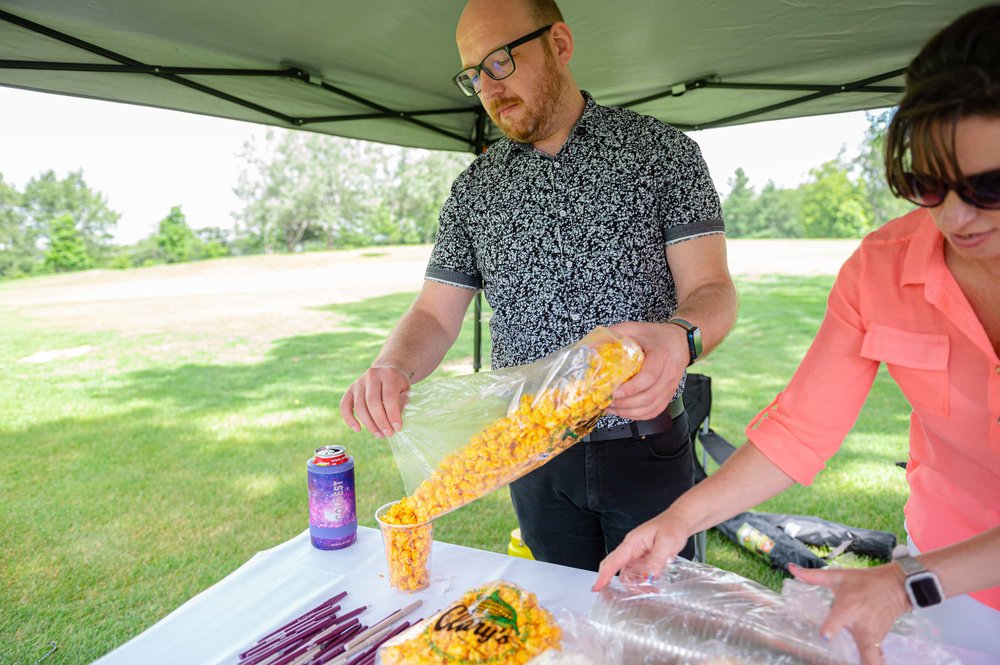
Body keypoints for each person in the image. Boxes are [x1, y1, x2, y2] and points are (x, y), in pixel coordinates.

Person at [593, 5, 1000, 662]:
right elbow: (800, 430)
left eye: (990, 186)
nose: (954, 216)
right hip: (945, 574)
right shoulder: (879, 269)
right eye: (928, 184)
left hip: (925, 580)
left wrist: (905, 582)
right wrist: (678, 520)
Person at [340, 0, 737, 572]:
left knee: (657, 621)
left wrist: (681, 337)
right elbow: (434, 313)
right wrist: (392, 365)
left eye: (500, 61)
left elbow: (712, 289)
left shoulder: (663, 153)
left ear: (560, 43)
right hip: (527, 453)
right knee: (558, 618)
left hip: (646, 442)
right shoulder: (475, 187)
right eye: (473, 75)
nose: (488, 88)